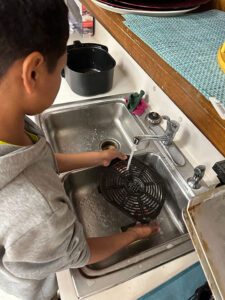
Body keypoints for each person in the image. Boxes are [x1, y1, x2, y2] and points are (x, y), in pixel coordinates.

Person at [0, 1, 160, 299]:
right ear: (33, 73)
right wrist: (134, 234)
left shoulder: (8, 126)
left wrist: (96, 157)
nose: (62, 77)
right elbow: (81, 252)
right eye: (62, 70)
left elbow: (38, 163)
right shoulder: (38, 211)